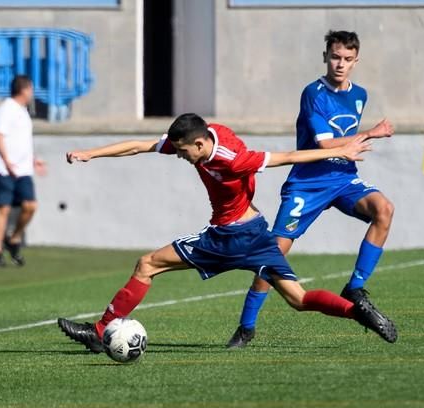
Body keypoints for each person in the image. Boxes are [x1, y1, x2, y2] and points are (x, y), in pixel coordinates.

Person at [57, 113, 397, 353]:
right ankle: (359, 313)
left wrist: (341, 150)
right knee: (298, 298)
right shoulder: (204, 134)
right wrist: (91, 153)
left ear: (201, 143)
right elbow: (140, 146)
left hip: (225, 238)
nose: (179, 156)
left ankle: (100, 332)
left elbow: (287, 156)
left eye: (183, 152)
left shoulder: (233, 159)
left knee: (147, 265)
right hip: (258, 234)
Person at [228, 30, 396, 348]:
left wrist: (363, 138)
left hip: (344, 178)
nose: (340, 64)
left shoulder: (360, 95)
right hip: (306, 184)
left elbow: (343, 145)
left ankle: (355, 287)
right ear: (325, 57)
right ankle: (247, 326)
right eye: (335, 57)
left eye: (347, 59)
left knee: (384, 209)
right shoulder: (313, 93)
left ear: (356, 61)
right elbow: (325, 143)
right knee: (272, 254)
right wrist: (371, 134)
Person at [0, 75, 45, 267]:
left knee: (30, 206)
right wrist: (7, 161)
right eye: (31, 89)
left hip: (23, 169)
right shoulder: (6, 108)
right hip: (5, 168)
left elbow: (21, 140)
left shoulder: (23, 111)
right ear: (25, 89)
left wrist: (33, 159)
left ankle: (13, 239)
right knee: (2, 208)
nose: (32, 93)